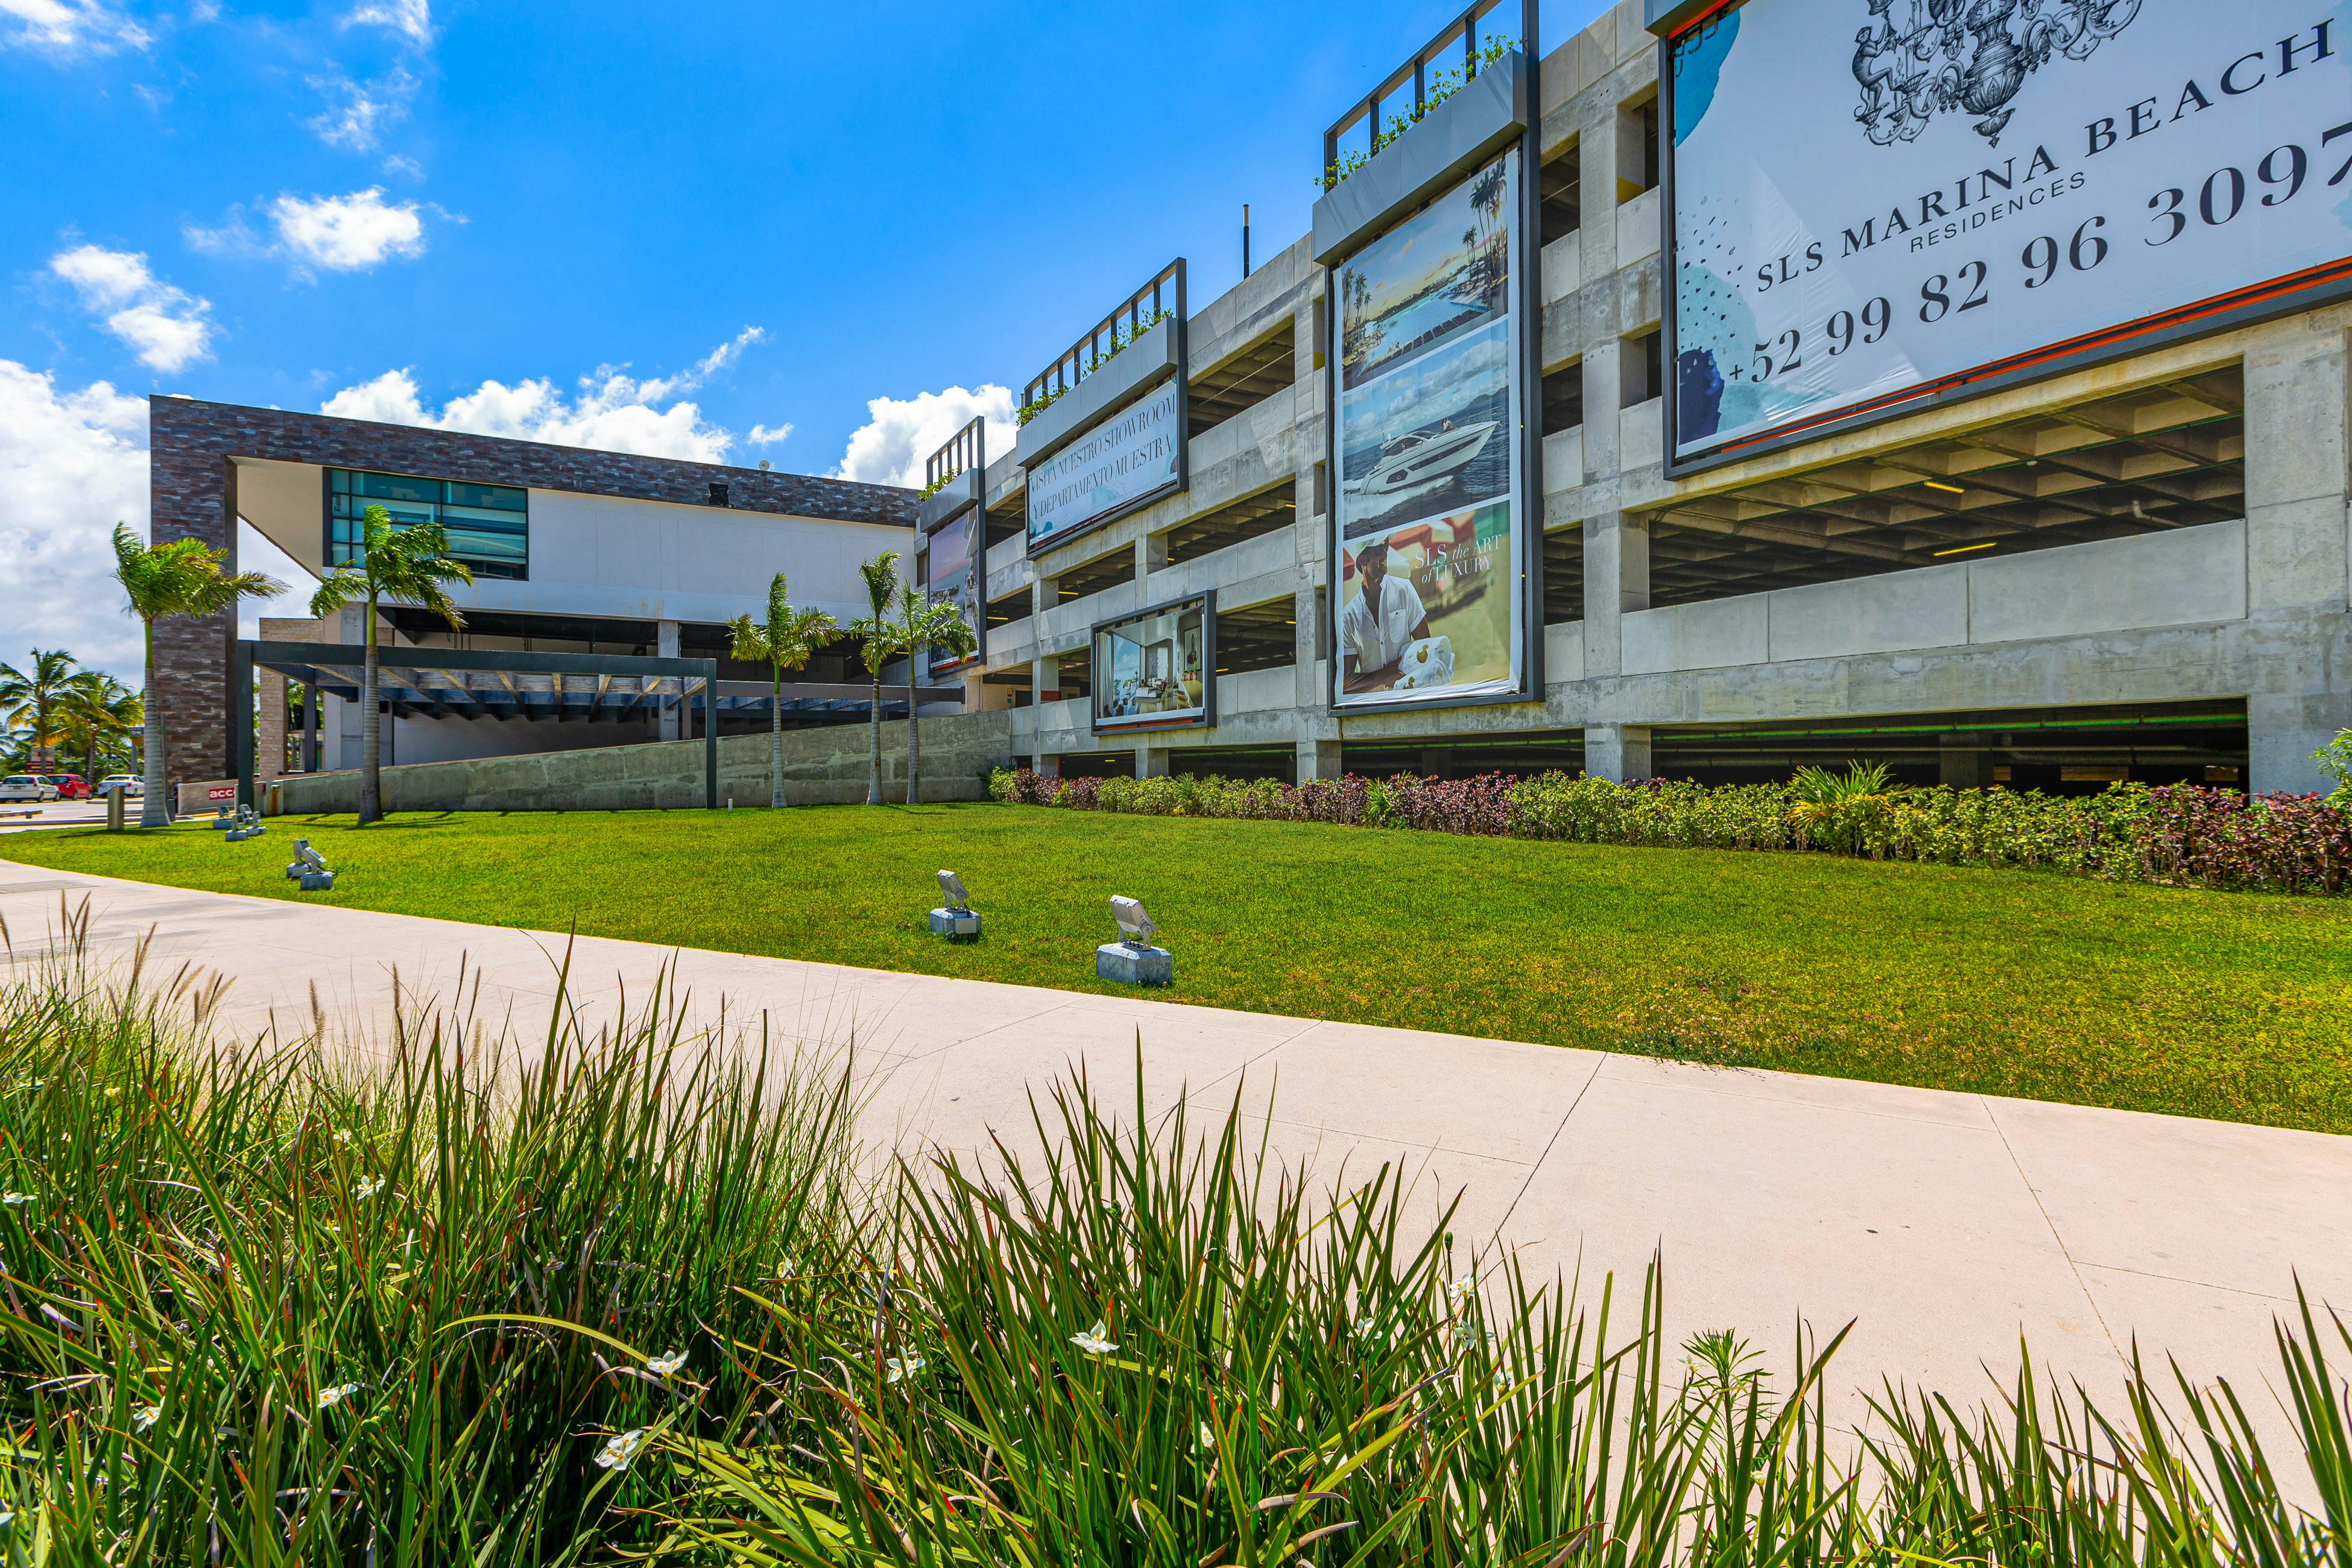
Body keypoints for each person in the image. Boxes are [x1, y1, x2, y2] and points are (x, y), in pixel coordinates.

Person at [1338, 539, 1432, 692]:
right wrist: (1383, 676)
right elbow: (1346, 683)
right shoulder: (1348, 616)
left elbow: (1428, 648)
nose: (1385, 553)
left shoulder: (1404, 589)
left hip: (1407, 699)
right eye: (1378, 550)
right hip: (1372, 709)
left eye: (1386, 546)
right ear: (1362, 559)